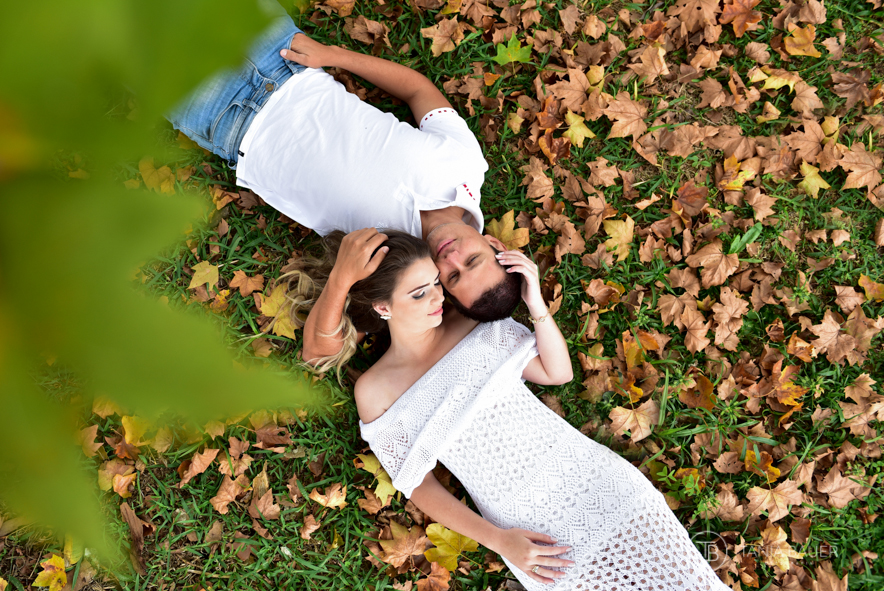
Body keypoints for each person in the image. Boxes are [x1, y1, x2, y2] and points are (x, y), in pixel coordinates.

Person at [299, 230, 730, 590]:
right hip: (528, 533)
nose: (437, 297)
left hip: (603, 487)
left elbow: (555, 371)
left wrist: (536, 302)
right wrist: (499, 541)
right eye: (419, 293)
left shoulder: (476, 328)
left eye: (435, 282)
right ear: (383, 308)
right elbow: (418, 485)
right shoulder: (377, 390)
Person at [167, 8, 521, 365]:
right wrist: (334, 56)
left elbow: (319, 352)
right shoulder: (468, 165)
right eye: (473, 259)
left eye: (454, 276)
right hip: (283, 57)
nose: (452, 257)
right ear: (493, 244)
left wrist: (341, 279)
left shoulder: (390, 266)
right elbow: (418, 90)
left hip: (226, 117)